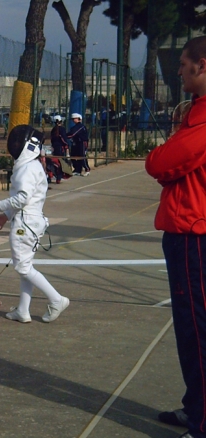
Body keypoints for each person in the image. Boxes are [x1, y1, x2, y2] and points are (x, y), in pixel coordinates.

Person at [146, 35, 206, 438]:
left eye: (185, 64)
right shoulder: (195, 115)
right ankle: (195, 407)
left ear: (202, 66)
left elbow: (161, 162)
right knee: (192, 329)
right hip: (189, 231)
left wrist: (163, 161)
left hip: (192, 236)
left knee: (195, 330)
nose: (181, 70)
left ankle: (202, 422)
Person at [0, 124, 69, 324]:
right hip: (29, 221)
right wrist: (5, 214)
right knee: (25, 266)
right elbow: (24, 199)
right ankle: (23, 310)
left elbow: (22, 198)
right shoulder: (30, 166)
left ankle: (57, 299)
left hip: (26, 224)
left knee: (23, 268)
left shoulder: (28, 168)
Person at [49, 115, 70, 184]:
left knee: (56, 162)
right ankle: (59, 177)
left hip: (55, 147)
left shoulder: (53, 129)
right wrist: (66, 146)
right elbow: (64, 139)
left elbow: (52, 140)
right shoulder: (62, 129)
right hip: (61, 148)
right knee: (61, 162)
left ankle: (54, 175)